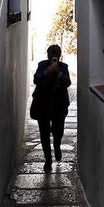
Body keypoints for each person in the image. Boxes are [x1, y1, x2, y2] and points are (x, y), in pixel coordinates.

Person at [31, 44, 71, 172]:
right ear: (48, 54)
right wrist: (48, 71)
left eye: (56, 54)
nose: (54, 56)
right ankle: (47, 159)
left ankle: (57, 146)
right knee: (44, 133)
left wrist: (58, 72)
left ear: (59, 56)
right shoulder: (42, 65)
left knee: (58, 130)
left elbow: (67, 82)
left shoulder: (63, 67)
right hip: (43, 104)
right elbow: (36, 79)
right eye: (51, 53)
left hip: (59, 105)